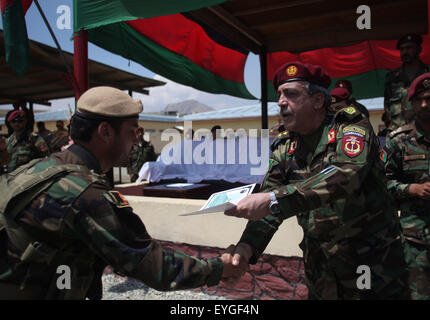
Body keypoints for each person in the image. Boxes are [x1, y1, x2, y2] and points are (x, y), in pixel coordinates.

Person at [0, 86, 246, 300]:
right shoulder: (84, 193)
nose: (136, 141)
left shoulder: (40, 168)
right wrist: (219, 268)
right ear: (106, 132)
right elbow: (150, 264)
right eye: (132, 130)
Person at [223, 61, 410, 299]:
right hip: (322, 271)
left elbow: (346, 173)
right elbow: (270, 211)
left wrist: (272, 198)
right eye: (279, 95)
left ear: (318, 101)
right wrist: (245, 251)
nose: (281, 101)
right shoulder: (285, 146)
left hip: (373, 267)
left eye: (290, 94)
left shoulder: (350, 128)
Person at [385, 73, 430, 300]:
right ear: (411, 103)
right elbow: (383, 184)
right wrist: (411, 189)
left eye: (429, 98)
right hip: (416, 241)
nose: (424, 104)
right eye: (419, 99)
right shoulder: (399, 141)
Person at [384, 34, 429, 132]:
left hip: (425, 132)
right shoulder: (392, 77)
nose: (405, 52)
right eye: (402, 49)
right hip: (398, 133)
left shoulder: (427, 73)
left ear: (419, 49)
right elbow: (387, 107)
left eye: (409, 48)